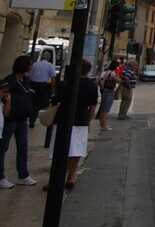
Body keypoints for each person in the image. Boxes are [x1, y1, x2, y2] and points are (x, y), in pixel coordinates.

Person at [46, 59, 99, 190]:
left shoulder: (67, 84)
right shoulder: (92, 85)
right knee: (76, 150)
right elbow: (93, 106)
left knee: (59, 149)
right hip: (81, 120)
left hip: (62, 119)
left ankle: (54, 179)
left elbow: (55, 100)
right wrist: (88, 121)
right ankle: (71, 177)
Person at [0, 55, 37, 188]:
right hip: (11, 118)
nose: (32, 66)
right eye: (30, 64)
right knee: (3, 147)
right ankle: (1, 176)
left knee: (23, 146)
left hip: (22, 118)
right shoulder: (9, 82)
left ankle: (23, 174)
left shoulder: (26, 80)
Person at [27, 49, 56, 128]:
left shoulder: (35, 64)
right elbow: (53, 78)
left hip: (33, 84)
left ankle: (30, 116)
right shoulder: (50, 66)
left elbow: (29, 76)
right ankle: (32, 119)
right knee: (38, 103)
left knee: (32, 101)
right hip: (42, 86)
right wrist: (53, 88)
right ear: (49, 58)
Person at [98, 60, 119, 131]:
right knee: (105, 109)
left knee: (104, 108)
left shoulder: (106, 72)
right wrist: (118, 73)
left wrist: (102, 87)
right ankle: (103, 126)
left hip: (105, 91)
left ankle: (103, 124)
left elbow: (99, 81)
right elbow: (118, 80)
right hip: (109, 91)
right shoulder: (112, 74)